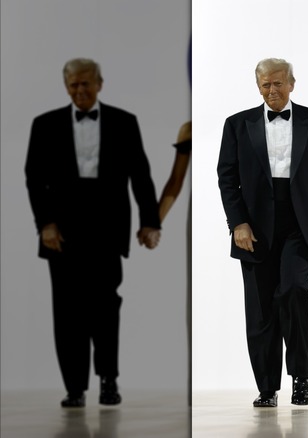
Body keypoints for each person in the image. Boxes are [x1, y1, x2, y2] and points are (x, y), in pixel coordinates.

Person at [24, 58, 161, 408]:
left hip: (107, 227)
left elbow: (141, 175)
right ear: (66, 87)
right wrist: (45, 225)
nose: (80, 91)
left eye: (86, 84)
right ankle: (74, 388)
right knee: (67, 311)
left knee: (105, 308)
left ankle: (108, 381)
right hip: (62, 230)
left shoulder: (124, 121)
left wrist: (150, 222)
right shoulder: (45, 124)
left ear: (100, 83)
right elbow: (35, 180)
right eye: (74, 85)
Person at [217, 57, 308, 408]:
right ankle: (266, 388)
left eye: (279, 83)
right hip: (253, 227)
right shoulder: (237, 124)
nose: (272, 90)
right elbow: (227, 178)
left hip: (298, 223)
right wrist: (238, 224)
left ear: (292, 83)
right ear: (258, 86)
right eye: (266, 84)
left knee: (294, 294)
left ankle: (301, 380)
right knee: (261, 310)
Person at [158, 120, 192, 405]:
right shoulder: (189, 129)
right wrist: (153, 222)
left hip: (252, 210)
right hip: (200, 215)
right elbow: (176, 180)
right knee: (194, 303)